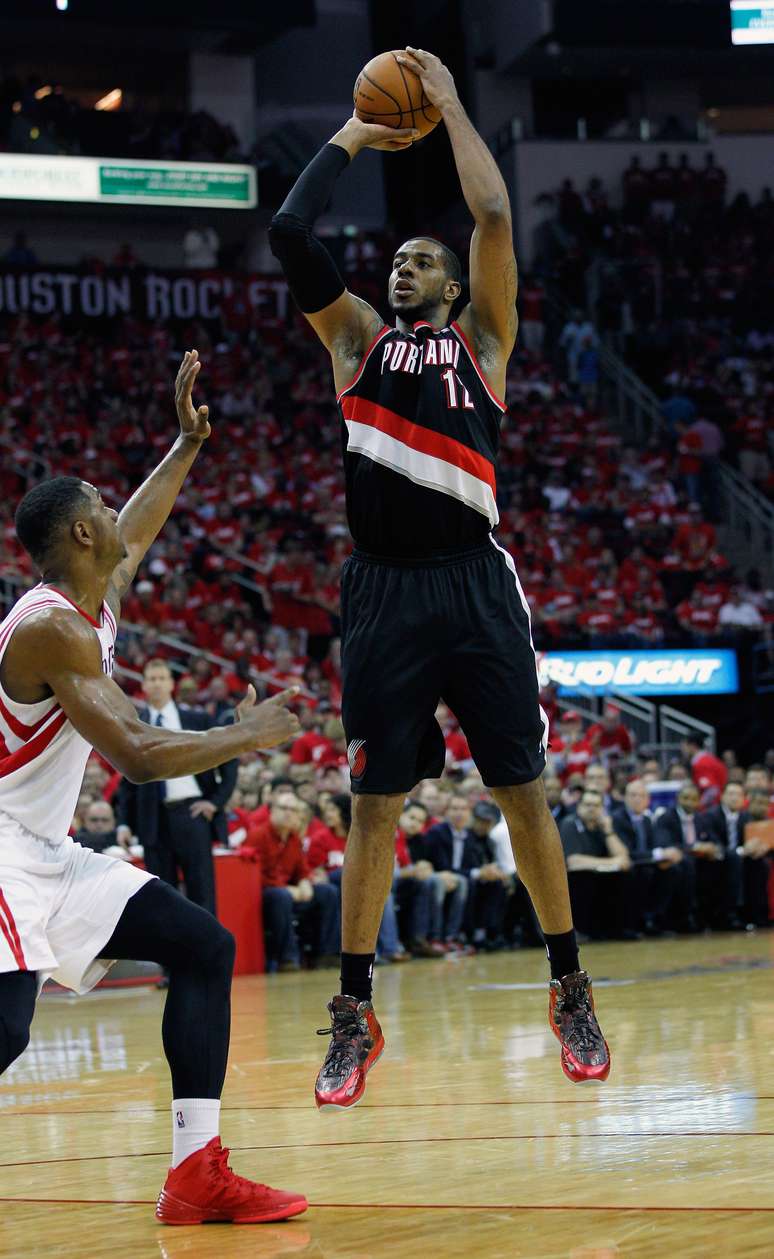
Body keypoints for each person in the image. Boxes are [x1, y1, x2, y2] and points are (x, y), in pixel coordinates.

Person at [269, 46, 610, 1109]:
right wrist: (358, 135)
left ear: (456, 285)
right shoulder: (357, 339)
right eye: (398, 259)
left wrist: (454, 104)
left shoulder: (487, 342)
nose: (403, 268)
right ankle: (353, 1010)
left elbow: (497, 216)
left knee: (523, 788)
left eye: (424, 259)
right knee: (375, 803)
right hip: (381, 591)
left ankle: (570, 984)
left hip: (472, 578)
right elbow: (289, 232)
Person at [0, 350, 307, 1224]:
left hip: (44, 850)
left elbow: (140, 526)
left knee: (204, 947)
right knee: (6, 1029)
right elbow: (134, 752)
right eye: (98, 502)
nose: (110, 507)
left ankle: (196, 1173)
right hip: (0, 847)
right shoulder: (53, 628)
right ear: (79, 536)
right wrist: (242, 733)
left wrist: (184, 444)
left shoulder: (93, 592)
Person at [116, 658, 237, 914]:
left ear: (171, 684)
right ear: (144, 685)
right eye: (152, 679)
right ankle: (168, 955)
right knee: (162, 898)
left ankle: (204, 952)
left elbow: (229, 761)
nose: (157, 684)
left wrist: (215, 802)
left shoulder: (197, 719)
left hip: (192, 813)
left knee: (202, 891)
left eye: (162, 678)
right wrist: (124, 823)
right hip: (153, 819)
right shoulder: (134, 726)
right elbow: (127, 783)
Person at [241, 791, 340, 971]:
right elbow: (250, 877)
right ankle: (287, 959)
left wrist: (304, 882)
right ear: (271, 811)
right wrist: (286, 888)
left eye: (293, 810)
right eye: (283, 808)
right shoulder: (257, 835)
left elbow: (302, 870)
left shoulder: (294, 838)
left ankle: (327, 954)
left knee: (328, 892)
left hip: (289, 893)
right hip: (265, 895)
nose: (288, 813)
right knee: (280, 896)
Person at [559, 790, 636, 939]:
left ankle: (620, 929)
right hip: (573, 879)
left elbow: (624, 859)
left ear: (602, 808)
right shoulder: (570, 823)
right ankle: (581, 930)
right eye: (587, 804)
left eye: (596, 805)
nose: (591, 808)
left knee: (627, 875)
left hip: (600, 877)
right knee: (582, 878)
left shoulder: (604, 825)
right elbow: (574, 862)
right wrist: (612, 861)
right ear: (579, 806)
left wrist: (608, 831)